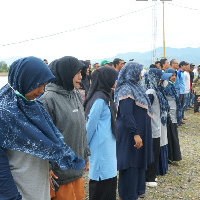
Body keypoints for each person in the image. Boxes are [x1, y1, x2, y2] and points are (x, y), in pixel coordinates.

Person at [0, 57, 85, 200]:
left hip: (34, 188)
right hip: (9, 192)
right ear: (24, 80)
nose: (41, 90)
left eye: (44, 84)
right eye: (38, 84)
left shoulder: (35, 107)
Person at [40, 56, 90, 200]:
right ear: (65, 73)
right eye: (77, 73)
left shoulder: (74, 94)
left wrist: (85, 154)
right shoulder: (48, 99)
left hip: (76, 168)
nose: (81, 77)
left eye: (82, 72)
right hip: (59, 173)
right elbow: (44, 138)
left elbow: (81, 127)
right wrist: (47, 168)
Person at [114, 62, 153, 200]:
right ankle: (128, 194)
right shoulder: (126, 89)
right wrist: (135, 133)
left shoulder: (136, 87)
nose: (141, 74)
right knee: (130, 163)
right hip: (130, 134)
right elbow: (126, 114)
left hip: (138, 132)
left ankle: (137, 190)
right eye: (139, 71)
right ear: (132, 72)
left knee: (138, 161)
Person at [84, 67, 118, 200]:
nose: (115, 81)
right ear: (105, 79)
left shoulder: (106, 96)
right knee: (100, 183)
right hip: (100, 148)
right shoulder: (99, 99)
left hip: (107, 146)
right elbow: (90, 126)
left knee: (109, 180)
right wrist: (84, 148)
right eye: (113, 78)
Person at [141, 69, 168, 187]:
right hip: (152, 126)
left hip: (156, 125)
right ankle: (149, 178)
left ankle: (152, 175)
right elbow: (145, 109)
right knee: (152, 151)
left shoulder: (156, 90)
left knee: (155, 150)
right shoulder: (151, 91)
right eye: (160, 78)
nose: (162, 80)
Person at [162, 70, 182, 164]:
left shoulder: (171, 86)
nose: (174, 77)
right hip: (169, 115)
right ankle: (170, 157)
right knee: (170, 136)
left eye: (175, 75)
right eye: (172, 75)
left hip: (173, 115)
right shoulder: (166, 86)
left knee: (173, 135)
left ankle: (173, 156)